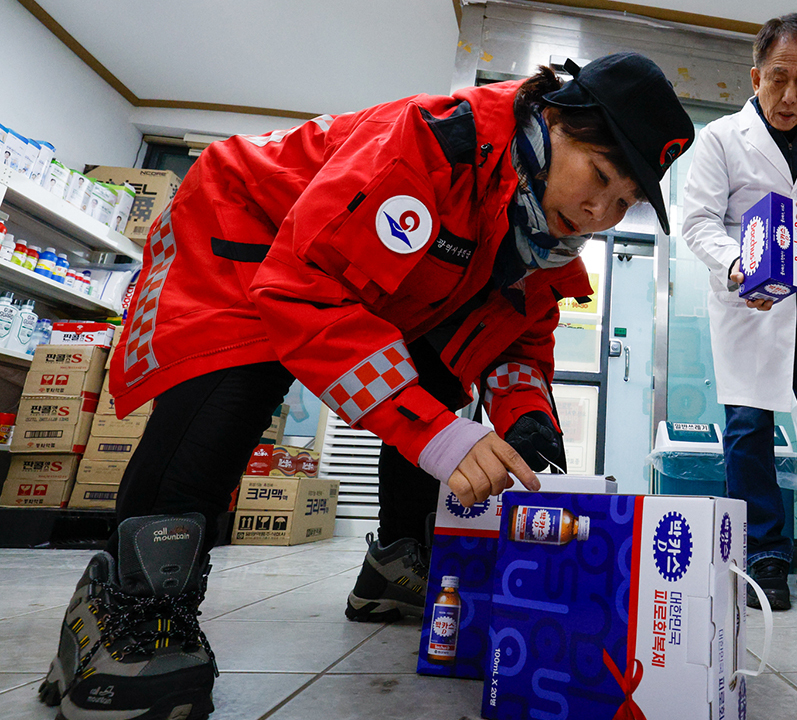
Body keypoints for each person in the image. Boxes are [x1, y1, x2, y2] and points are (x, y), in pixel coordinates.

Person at [38, 52, 693, 720]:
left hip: (364, 276)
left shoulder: (540, 228)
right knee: (240, 379)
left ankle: (398, 562)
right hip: (247, 226)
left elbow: (518, 338)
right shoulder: (435, 147)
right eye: (601, 176)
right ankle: (127, 606)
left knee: (439, 380)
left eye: (624, 202)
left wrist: (528, 419)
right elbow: (304, 289)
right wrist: (437, 436)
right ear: (554, 121)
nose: (598, 211)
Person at [682, 13, 797, 611]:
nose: (790, 96)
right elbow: (698, 223)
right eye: (779, 79)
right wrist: (740, 266)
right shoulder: (717, 139)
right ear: (756, 74)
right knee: (749, 429)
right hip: (749, 301)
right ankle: (763, 556)